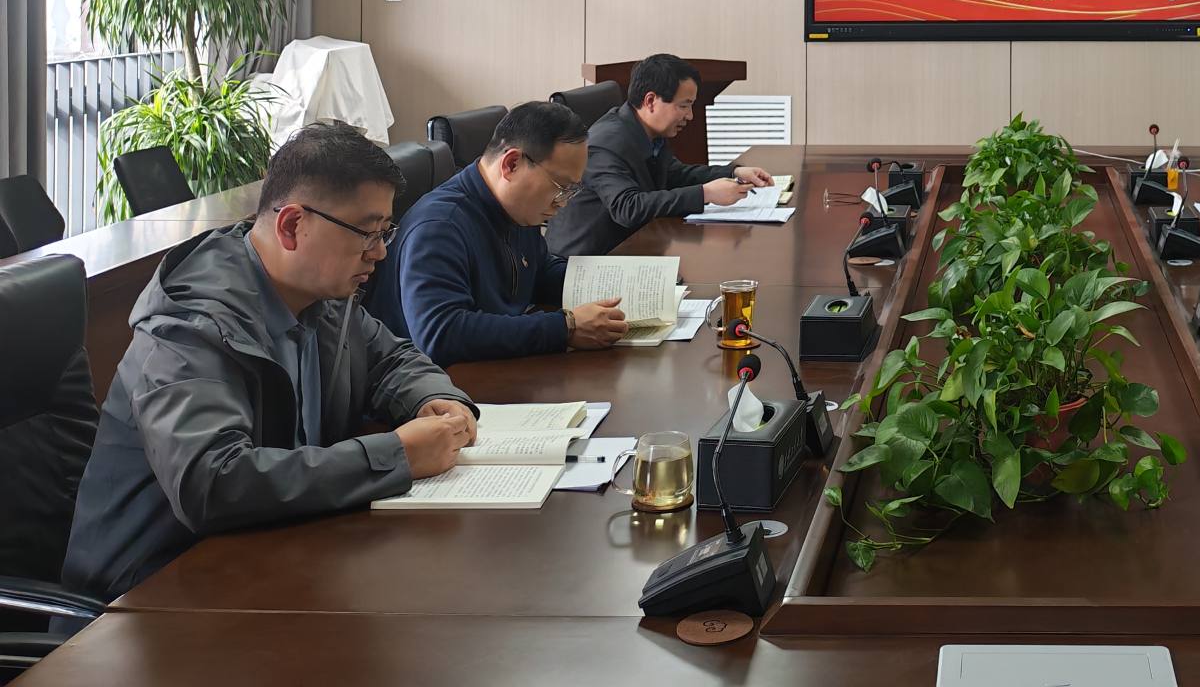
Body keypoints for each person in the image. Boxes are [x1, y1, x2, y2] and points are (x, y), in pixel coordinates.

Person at [63, 123, 477, 601]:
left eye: (385, 232)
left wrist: (433, 397)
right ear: (292, 226)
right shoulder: (190, 328)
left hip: (270, 558)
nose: (380, 252)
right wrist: (394, 456)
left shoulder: (321, 294)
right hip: (150, 595)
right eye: (367, 233)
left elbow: (390, 359)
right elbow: (212, 482)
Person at [371, 101, 629, 364]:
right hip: (435, 381)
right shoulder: (439, 227)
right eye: (560, 186)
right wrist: (565, 328)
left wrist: (617, 283)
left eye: (571, 190)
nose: (562, 203)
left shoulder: (517, 209)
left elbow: (540, 273)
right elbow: (441, 334)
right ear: (512, 164)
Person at [545, 53, 776, 257]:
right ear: (651, 101)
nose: (690, 116)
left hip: (630, 247)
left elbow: (674, 174)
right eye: (683, 106)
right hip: (584, 263)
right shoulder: (605, 144)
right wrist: (706, 193)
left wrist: (733, 172)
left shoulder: (647, 131)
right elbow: (628, 208)